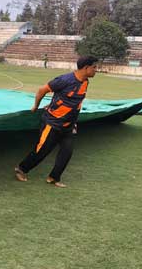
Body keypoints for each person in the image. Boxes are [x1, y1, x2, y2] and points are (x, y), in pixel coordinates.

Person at [14, 56, 99, 188]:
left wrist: (56, 106)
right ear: (86, 67)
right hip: (52, 123)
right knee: (42, 150)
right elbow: (42, 90)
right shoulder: (64, 80)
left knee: (67, 152)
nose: (96, 70)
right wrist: (36, 106)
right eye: (94, 67)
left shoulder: (85, 82)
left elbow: (72, 101)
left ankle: (53, 178)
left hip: (69, 125)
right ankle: (22, 169)